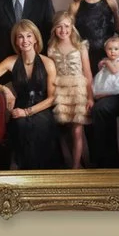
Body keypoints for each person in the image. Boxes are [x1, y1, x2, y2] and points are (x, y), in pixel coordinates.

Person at [0, 20, 60, 169]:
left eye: (29, 36)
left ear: (36, 38)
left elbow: (52, 98)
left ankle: (39, 171)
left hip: (42, 108)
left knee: (40, 126)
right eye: (20, 37)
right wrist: (5, 89)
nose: (25, 40)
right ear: (16, 41)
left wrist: (27, 112)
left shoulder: (48, 62)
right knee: (20, 125)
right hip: (19, 107)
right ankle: (22, 170)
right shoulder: (11, 61)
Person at [48, 13, 91, 169]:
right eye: (59, 26)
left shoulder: (80, 46)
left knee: (77, 131)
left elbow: (88, 73)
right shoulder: (52, 49)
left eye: (67, 26)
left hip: (79, 91)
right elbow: (51, 74)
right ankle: (72, 162)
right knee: (64, 129)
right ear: (54, 29)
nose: (63, 30)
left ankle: (75, 167)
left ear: (72, 27)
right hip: (61, 91)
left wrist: (90, 97)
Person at [88, 31, 119, 167]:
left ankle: (109, 159)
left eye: (116, 49)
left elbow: (114, 71)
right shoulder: (107, 59)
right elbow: (102, 72)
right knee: (97, 93)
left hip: (118, 84)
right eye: (109, 49)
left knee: (110, 92)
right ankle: (100, 157)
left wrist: (107, 62)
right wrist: (102, 65)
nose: (113, 52)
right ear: (105, 50)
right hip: (108, 81)